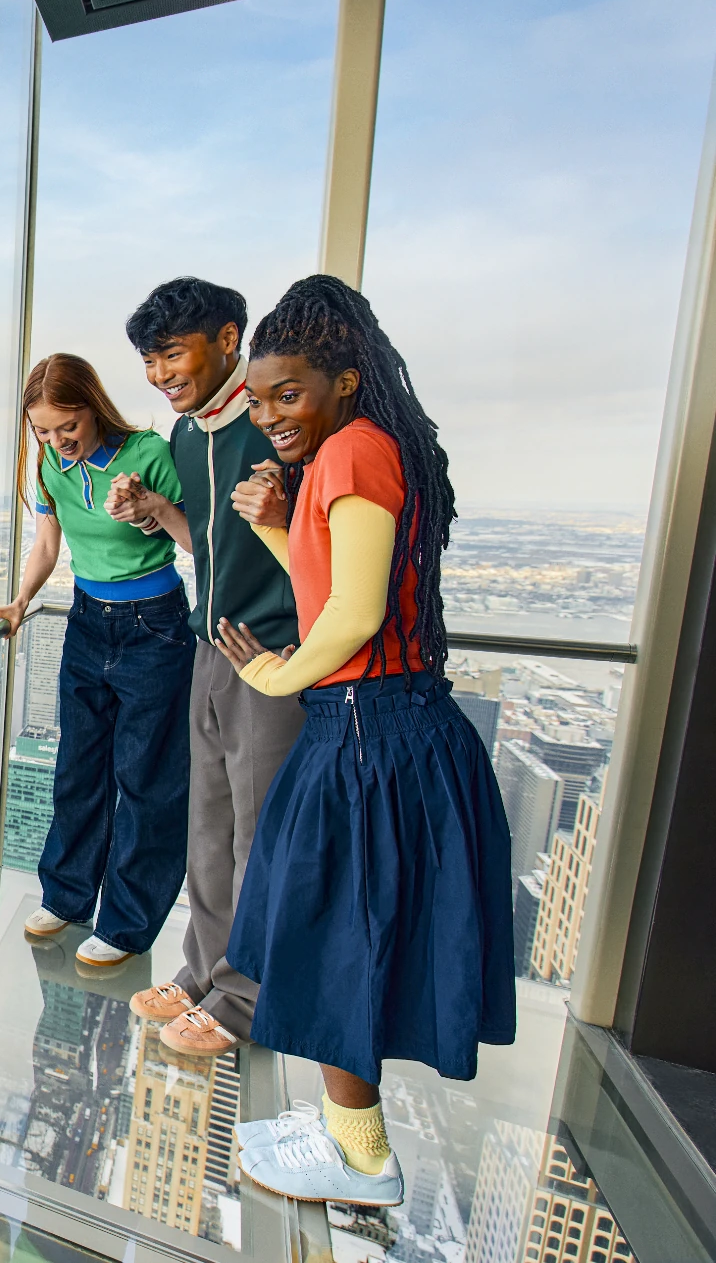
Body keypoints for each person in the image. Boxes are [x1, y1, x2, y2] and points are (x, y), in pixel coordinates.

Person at [212, 275, 514, 1207]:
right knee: (342, 936)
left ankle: (364, 1159)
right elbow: (332, 586)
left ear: (344, 379)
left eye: (287, 393)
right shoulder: (374, 448)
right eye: (258, 400)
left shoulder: (351, 454)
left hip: (367, 735)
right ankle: (350, 1135)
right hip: (389, 726)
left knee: (333, 937)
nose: (269, 417)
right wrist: (272, 526)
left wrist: (274, 673)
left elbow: (351, 612)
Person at [101, 278, 306, 1061]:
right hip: (210, 648)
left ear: (229, 338)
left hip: (273, 656)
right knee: (209, 829)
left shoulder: (278, 428)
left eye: (171, 353)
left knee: (259, 836)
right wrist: (155, 510)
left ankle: (246, 999)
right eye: (150, 359)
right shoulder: (190, 436)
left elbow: (318, 548)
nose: (159, 372)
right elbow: (208, 546)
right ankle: (201, 976)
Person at [0, 352, 193, 971]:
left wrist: (152, 507)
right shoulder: (52, 464)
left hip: (154, 626)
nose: (56, 441)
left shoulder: (148, 453)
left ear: (94, 408)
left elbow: (195, 540)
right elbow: (48, 541)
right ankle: (68, 897)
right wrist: (22, 599)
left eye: (66, 427)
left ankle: (128, 925)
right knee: (77, 770)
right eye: (43, 430)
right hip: (85, 621)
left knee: (146, 782)